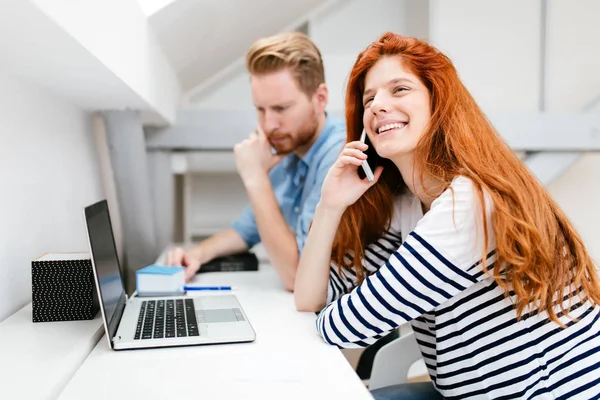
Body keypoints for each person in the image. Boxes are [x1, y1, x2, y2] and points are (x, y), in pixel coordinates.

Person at [298, 32, 600, 399]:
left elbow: (347, 326)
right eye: (369, 98)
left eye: (399, 89)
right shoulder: (408, 207)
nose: (378, 105)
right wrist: (329, 206)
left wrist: (338, 309)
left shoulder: (466, 205)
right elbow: (312, 298)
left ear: (437, 101)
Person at [166, 32, 345, 290]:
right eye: (260, 109)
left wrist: (255, 177)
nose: (269, 125)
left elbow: (298, 277)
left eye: (281, 109)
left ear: (320, 99)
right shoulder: (288, 147)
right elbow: (246, 230)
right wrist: (196, 254)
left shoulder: (339, 154)